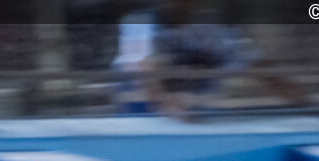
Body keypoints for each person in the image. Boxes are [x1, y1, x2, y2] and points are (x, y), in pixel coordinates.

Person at [113, 0, 300, 117]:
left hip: (201, 127)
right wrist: (170, 106)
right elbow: (145, 72)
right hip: (145, 128)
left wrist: (304, 105)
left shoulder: (214, 31)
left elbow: (259, 67)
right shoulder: (139, 22)